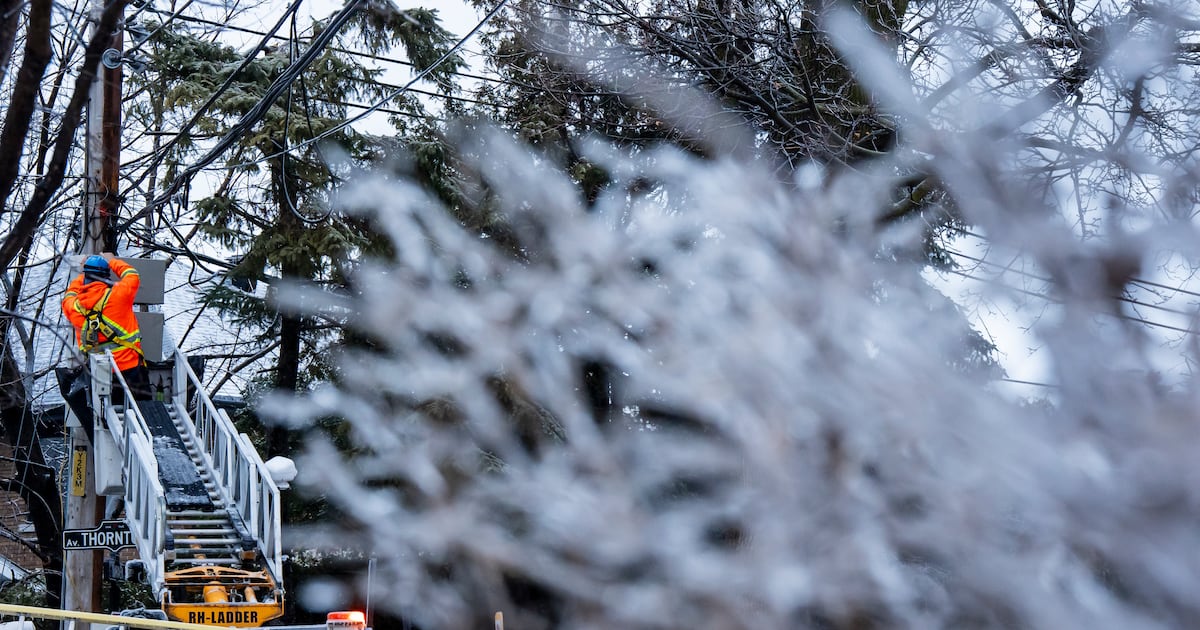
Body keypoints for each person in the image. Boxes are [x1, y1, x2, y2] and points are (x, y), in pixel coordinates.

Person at [62, 252, 151, 402]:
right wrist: (112, 261)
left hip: (99, 374)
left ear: (86, 277)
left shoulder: (73, 307)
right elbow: (132, 275)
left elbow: (69, 294)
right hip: (131, 370)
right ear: (106, 277)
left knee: (105, 412)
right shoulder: (119, 295)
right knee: (143, 411)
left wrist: (83, 272)